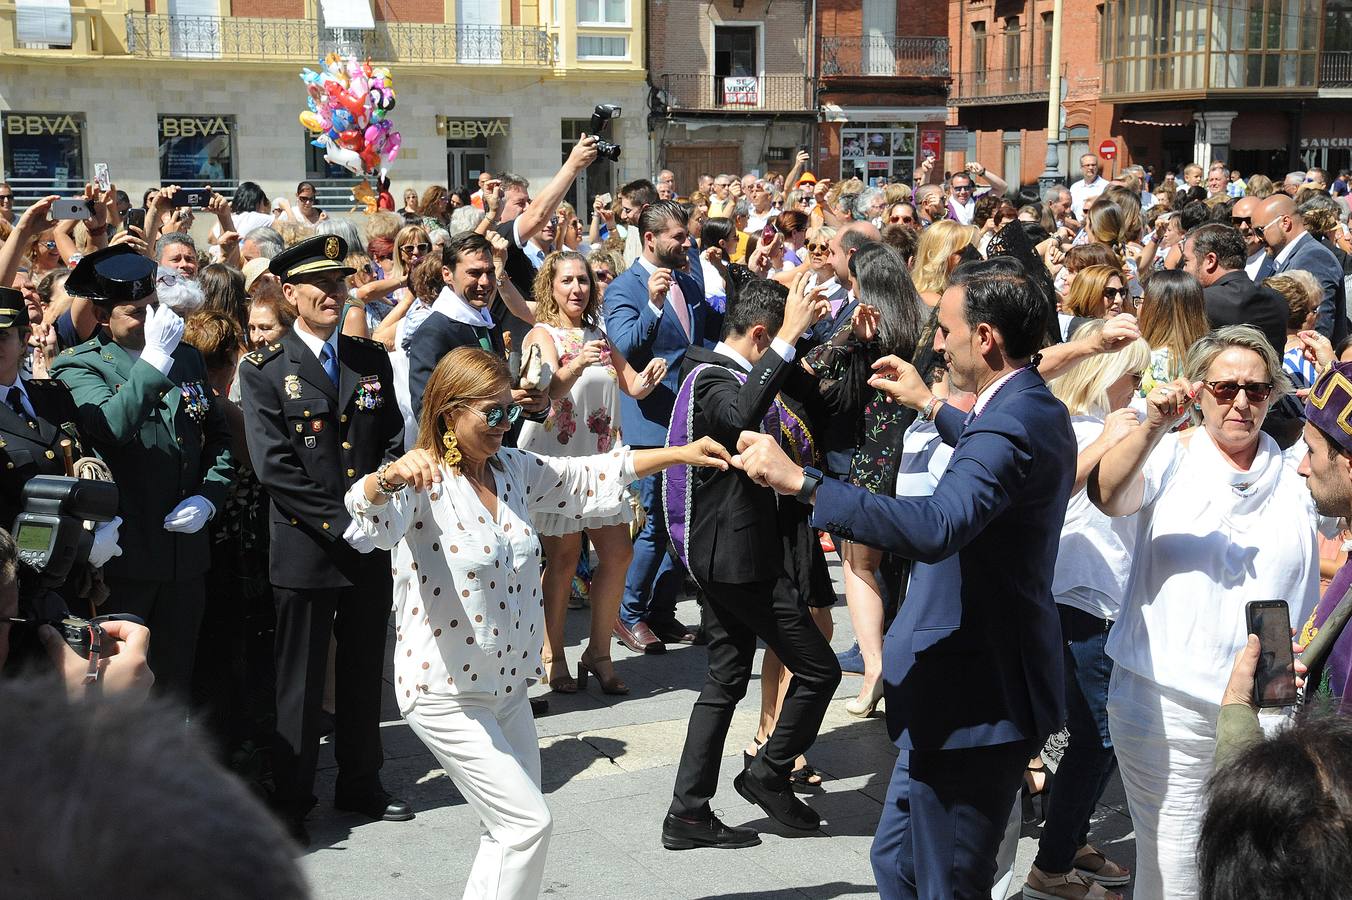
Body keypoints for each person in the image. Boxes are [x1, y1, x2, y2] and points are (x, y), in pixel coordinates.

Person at [732, 257, 1076, 897]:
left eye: (946, 330)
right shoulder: (1028, 404)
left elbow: (939, 524)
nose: (937, 342)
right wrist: (930, 403)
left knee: (944, 881)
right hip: (957, 692)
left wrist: (803, 483)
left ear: (987, 337)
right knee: (897, 865)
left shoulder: (1011, 420)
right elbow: (985, 447)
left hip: (973, 698)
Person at [344, 347, 729, 899]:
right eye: (491, 413)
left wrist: (680, 453)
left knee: (506, 832)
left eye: (510, 410)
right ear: (450, 412)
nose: (505, 424)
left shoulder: (513, 469)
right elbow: (364, 523)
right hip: (445, 694)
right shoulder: (421, 480)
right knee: (527, 825)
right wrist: (386, 477)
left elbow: (592, 471)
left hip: (508, 689)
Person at [1090, 325, 1322, 900]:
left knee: (1256, 868)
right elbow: (1109, 494)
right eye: (1224, 388)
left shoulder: (1296, 469)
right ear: (1198, 391)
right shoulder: (1168, 452)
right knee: (1173, 871)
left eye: (1257, 390)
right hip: (1164, 704)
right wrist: (1151, 425)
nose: (1241, 402)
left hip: (1266, 709)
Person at [239, 235, 410, 843]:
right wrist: (345, 520)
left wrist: (382, 493)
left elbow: (390, 436)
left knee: (365, 670)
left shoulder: (370, 358)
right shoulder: (262, 369)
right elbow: (276, 468)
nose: (336, 293)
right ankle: (292, 798)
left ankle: (362, 781)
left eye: (341, 283)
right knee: (302, 682)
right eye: (322, 285)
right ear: (290, 295)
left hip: (369, 543)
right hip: (307, 545)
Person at [662, 276, 841, 850]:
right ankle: (767, 771)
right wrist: (790, 332)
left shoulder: (731, 371)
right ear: (762, 333)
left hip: (730, 555)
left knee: (726, 676)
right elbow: (741, 410)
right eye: (780, 339)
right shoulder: (712, 377)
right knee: (820, 670)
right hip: (735, 562)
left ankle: (688, 813)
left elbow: (790, 399)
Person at [51, 245, 234, 699]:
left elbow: (217, 437)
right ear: (100, 313)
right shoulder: (78, 364)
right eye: (136, 311)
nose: (151, 319)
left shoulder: (186, 357)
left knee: (176, 682)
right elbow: (113, 426)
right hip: (125, 559)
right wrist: (154, 359)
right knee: (121, 688)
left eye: (155, 307)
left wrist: (210, 497)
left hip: (184, 556)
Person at [1023, 322, 1149, 900]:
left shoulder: (1120, 421)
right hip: (1078, 596)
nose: (1141, 384)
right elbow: (1054, 489)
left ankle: (1068, 841)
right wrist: (1110, 438)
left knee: (1093, 733)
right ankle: (1051, 867)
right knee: (1097, 737)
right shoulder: (1073, 424)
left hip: (1107, 598)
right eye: (1135, 373)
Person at [517, 251, 665, 694]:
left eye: (583, 280)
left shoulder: (598, 334)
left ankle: (598, 652)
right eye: (567, 281)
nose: (577, 288)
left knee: (618, 555)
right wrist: (577, 362)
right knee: (562, 560)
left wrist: (650, 378)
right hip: (558, 462)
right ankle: (553, 652)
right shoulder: (540, 336)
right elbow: (544, 391)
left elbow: (631, 383)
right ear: (551, 287)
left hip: (600, 461)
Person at [802, 244, 926, 717]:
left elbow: (822, 388)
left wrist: (849, 339)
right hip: (916, 461)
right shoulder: (924, 323)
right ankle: (897, 667)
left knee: (859, 565)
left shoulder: (858, 327)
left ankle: (875, 668)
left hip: (865, 462)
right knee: (904, 568)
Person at [604, 200, 718, 653]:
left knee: (682, 523)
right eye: (678, 235)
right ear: (650, 239)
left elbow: (703, 343)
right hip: (650, 424)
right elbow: (625, 345)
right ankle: (627, 614)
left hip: (689, 416)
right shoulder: (623, 289)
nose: (686, 242)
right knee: (652, 524)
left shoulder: (689, 282)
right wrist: (651, 306)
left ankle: (661, 612)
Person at [1256, 193, 1349, 345]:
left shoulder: (1313, 257)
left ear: (1285, 222)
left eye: (1260, 231)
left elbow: (1317, 328)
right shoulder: (1291, 257)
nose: (1257, 238)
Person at [1183, 223, 1287, 356]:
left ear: (1210, 260)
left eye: (1186, 262)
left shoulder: (1199, 302)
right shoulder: (1278, 299)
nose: (1184, 270)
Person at [1071, 155, 1109, 219]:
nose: (1091, 168)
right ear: (1081, 168)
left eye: (1093, 165)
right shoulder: (1075, 187)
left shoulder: (1106, 186)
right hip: (1078, 227)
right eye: (1087, 165)